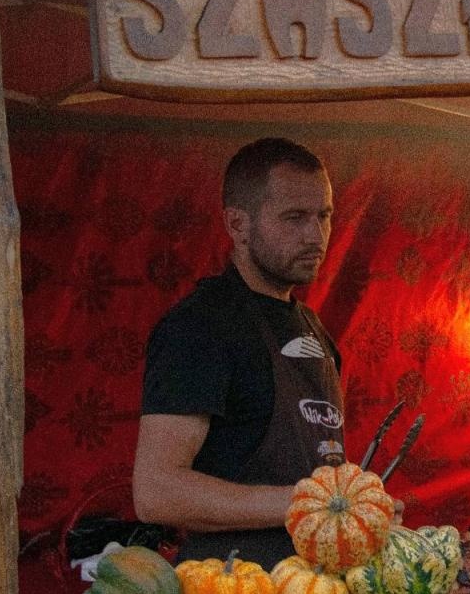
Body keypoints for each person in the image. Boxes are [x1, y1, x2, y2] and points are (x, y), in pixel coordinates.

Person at [133, 137, 344, 567]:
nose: (315, 235)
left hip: (318, 592)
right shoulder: (200, 327)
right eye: (294, 218)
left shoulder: (315, 331)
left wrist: (360, 509)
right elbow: (156, 492)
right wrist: (309, 503)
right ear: (237, 224)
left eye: (323, 216)